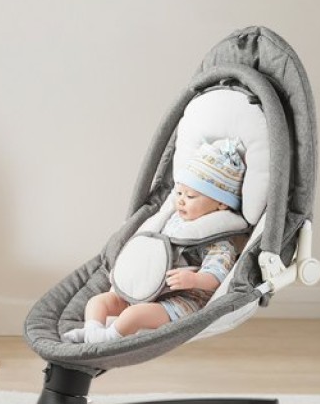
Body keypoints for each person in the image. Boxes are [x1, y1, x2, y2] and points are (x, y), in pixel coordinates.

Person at [65, 140, 246, 343]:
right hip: (145, 288)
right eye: (179, 193)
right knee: (98, 302)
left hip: (180, 301)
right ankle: (91, 331)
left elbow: (217, 275)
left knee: (133, 315)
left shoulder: (218, 239)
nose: (181, 200)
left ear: (221, 203)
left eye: (190, 196)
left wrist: (195, 280)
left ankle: (106, 338)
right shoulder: (172, 221)